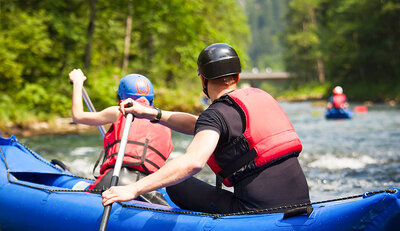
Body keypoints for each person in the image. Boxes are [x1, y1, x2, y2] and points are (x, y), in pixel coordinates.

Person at [102, 43, 310, 214]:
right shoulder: (258, 98)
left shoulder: (216, 115)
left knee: (177, 184)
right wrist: (152, 113)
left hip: (257, 212)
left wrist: (133, 189)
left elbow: (193, 162)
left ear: (203, 79)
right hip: (300, 203)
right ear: (237, 77)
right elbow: (200, 125)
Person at [69, 69, 174, 205]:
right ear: (151, 99)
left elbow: (77, 116)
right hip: (148, 188)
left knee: (80, 188)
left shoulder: (118, 111)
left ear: (121, 98)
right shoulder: (166, 120)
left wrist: (78, 82)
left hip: (114, 179)